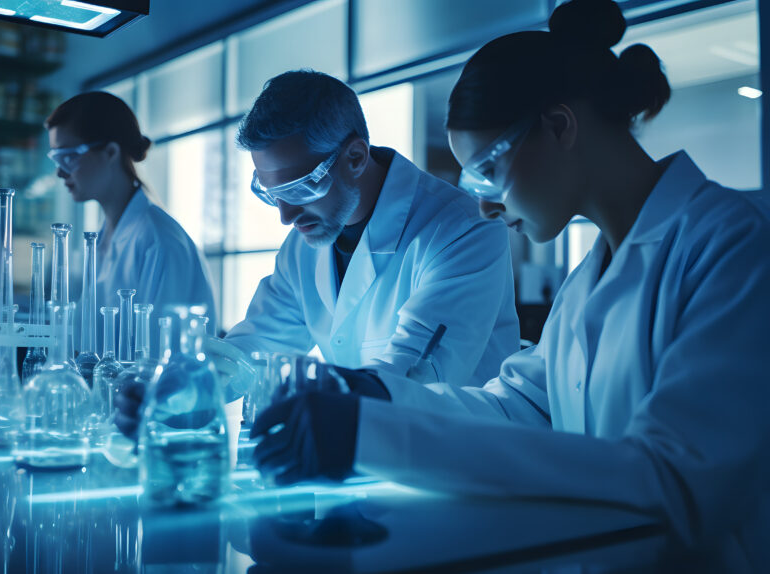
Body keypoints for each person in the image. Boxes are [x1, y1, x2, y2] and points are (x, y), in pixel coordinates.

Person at [251, 0, 770, 567]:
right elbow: (518, 407)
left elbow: (675, 484)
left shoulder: (730, 245)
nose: (483, 202)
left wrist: (376, 436)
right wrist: (369, 399)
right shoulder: (584, 284)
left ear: (559, 127)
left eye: (488, 171)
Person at [223, 70, 520, 387]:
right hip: (366, 431)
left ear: (355, 158)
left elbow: (415, 375)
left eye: (300, 190)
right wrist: (195, 380)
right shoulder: (300, 248)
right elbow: (257, 346)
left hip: (455, 435)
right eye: (274, 195)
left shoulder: (462, 230)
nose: (286, 215)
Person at [45, 92, 218, 335]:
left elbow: (159, 357)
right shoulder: (104, 236)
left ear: (111, 152)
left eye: (68, 157)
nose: (61, 174)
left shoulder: (158, 240)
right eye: (56, 160)